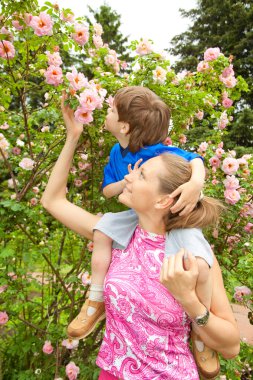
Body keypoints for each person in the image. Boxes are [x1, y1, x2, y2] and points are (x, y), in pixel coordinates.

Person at [41, 103, 240, 379]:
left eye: (143, 174)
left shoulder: (191, 257)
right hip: (111, 372)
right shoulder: (118, 236)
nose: (130, 176)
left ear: (163, 200)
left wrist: (190, 301)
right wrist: (72, 136)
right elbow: (52, 201)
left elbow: (231, 346)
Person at [67, 86, 205, 342]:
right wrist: (128, 180)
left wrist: (196, 183)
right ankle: (95, 298)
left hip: (174, 216)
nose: (105, 112)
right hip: (140, 214)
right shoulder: (115, 153)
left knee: (199, 265)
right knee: (101, 232)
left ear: (125, 127)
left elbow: (194, 158)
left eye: (110, 110)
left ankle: (200, 335)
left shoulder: (157, 152)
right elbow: (108, 191)